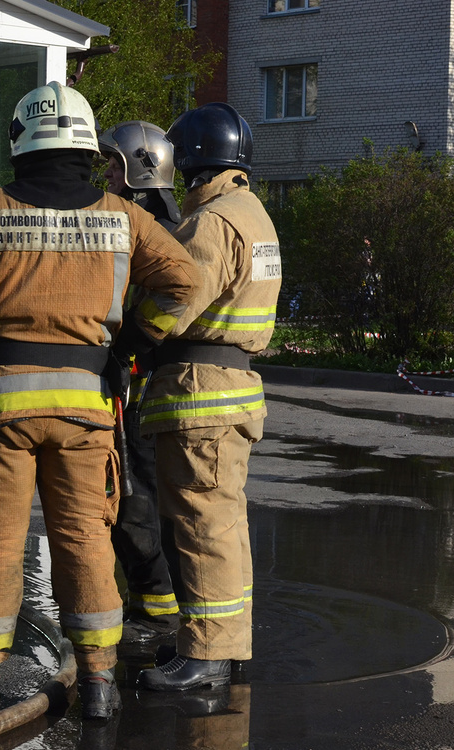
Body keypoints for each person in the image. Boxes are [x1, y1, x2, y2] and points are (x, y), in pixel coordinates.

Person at [0, 81, 199, 720]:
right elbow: (185, 281)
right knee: (84, 539)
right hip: (85, 412)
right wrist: (129, 342)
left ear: (19, 144)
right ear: (88, 148)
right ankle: (99, 683)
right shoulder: (123, 217)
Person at [135, 103, 282, 692]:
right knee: (225, 525)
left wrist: (126, 330)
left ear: (192, 159)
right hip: (234, 392)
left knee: (201, 526)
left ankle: (207, 656)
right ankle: (228, 640)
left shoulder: (212, 224)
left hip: (201, 395)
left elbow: (172, 306)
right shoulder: (254, 214)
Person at [97, 121, 182, 646]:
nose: (106, 173)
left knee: (138, 500)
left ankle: (158, 615)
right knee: (128, 499)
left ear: (139, 169)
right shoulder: (137, 222)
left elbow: (166, 299)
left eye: (113, 165)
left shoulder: (155, 230)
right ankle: (146, 606)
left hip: (144, 380)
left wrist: (127, 343)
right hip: (132, 378)